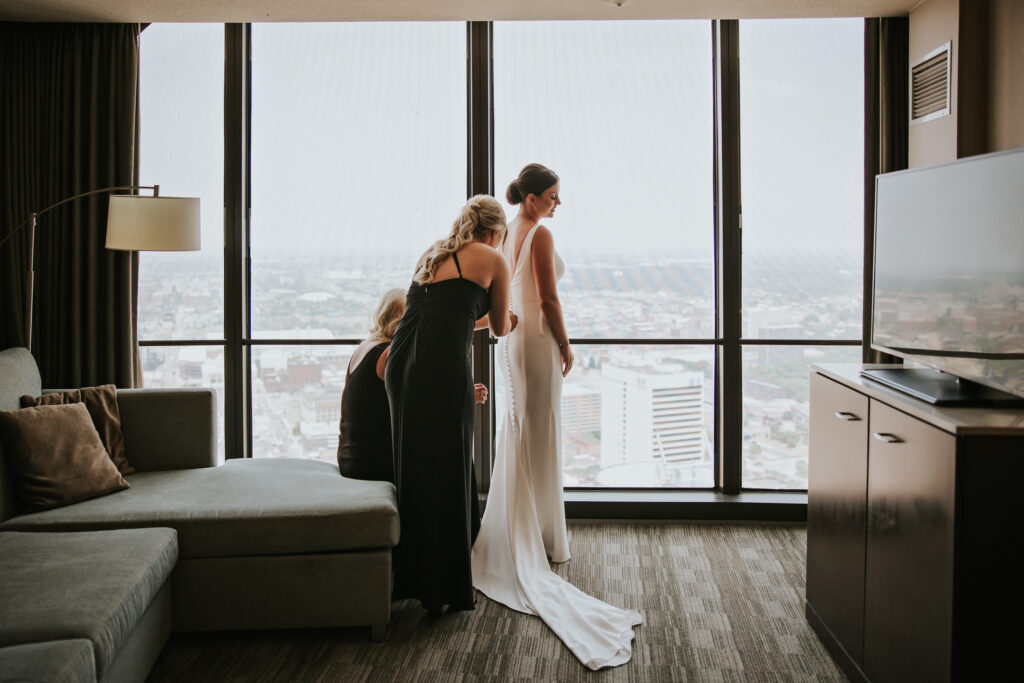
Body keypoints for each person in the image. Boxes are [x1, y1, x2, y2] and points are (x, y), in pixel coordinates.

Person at [471, 164, 642, 669]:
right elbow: (548, 297)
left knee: (525, 431)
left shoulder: (508, 234)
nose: (557, 204)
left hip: (513, 340)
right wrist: (566, 344)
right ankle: (541, 535)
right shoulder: (539, 232)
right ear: (530, 199)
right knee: (540, 432)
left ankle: (531, 527)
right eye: (552, 195)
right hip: (538, 339)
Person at [386, 194, 516, 614]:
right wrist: (513, 320)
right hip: (439, 370)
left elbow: (444, 314)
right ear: (496, 232)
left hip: (401, 363)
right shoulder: (494, 259)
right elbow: (498, 325)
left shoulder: (434, 250)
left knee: (417, 466)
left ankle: (414, 577)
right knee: (449, 464)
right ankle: (444, 585)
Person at [337, 289, 488, 482]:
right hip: (371, 464)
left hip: (351, 458)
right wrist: (463, 396)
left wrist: (487, 322)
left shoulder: (367, 347)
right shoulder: (390, 356)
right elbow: (421, 406)